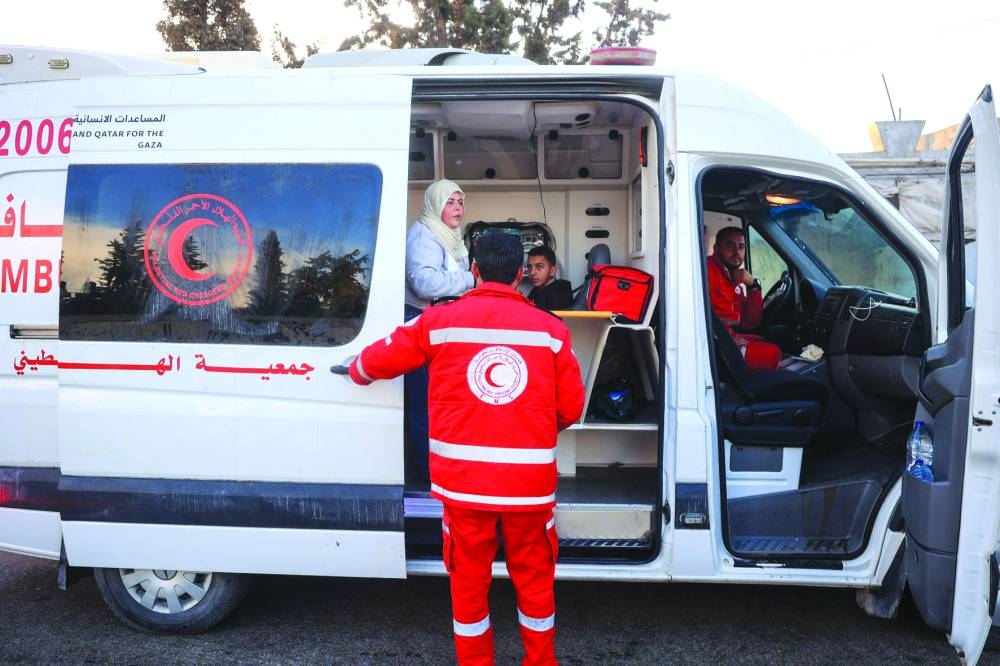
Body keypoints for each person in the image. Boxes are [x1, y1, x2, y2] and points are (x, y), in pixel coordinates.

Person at [347, 232, 585, 666]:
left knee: (469, 588)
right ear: (519, 274)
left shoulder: (441, 321)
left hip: (464, 489)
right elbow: (571, 407)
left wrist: (357, 370)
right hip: (528, 489)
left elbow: (384, 355)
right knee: (534, 583)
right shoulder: (552, 330)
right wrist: (527, 426)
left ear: (473, 270)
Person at [404, 179, 476, 480]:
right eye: (450, 202)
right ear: (435, 205)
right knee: (424, 404)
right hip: (421, 325)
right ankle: (426, 474)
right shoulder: (424, 236)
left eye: (460, 202)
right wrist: (471, 281)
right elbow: (424, 283)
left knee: (439, 403)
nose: (457, 208)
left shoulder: (449, 236)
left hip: (442, 329)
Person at [707, 226, 780, 370]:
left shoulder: (732, 276)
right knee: (774, 353)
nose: (737, 253)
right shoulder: (709, 270)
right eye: (730, 246)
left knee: (763, 340)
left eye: (741, 247)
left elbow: (750, 322)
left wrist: (754, 286)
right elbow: (698, 315)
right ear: (716, 248)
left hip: (727, 336)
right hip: (715, 345)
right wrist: (728, 340)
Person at [526, 245, 573, 311]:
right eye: (529, 267)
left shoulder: (559, 296)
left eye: (539, 267)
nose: (532, 273)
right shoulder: (537, 290)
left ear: (552, 271)